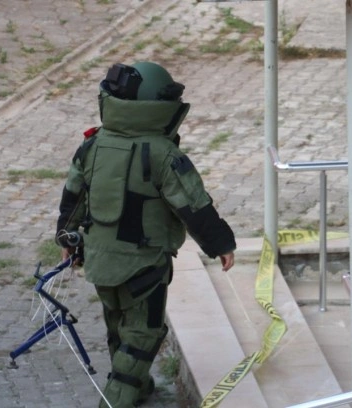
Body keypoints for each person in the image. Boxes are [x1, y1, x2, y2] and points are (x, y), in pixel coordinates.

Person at [55, 61, 236, 408]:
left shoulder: (93, 145)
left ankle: (135, 386)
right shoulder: (163, 154)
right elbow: (193, 205)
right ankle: (117, 397)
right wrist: (221, 244)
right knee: (143, 333)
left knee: (118, 326)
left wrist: (66, 237)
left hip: (99, 260)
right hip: (144, 265)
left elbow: (73, 195)